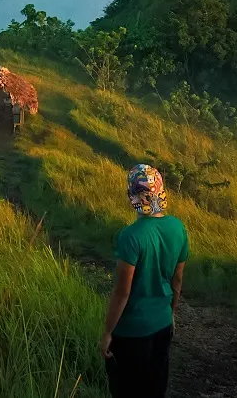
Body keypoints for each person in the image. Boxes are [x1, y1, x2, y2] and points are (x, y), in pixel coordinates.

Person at [99, 164, 189, 398]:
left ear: (132, 194)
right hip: (162, 325)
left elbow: (122, 292)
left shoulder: (131, 236)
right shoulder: (178, 228)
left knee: (126, 390)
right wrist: (171, 313)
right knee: (155, 388)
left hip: (131, 332)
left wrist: (108, 332)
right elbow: (177, 280)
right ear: (161, 190)